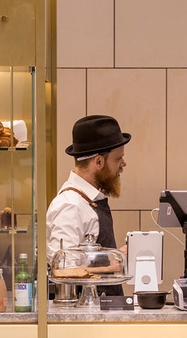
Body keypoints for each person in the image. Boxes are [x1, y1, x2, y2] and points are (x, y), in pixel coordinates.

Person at [46, 114, 131, 296]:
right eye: (118, 159)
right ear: (98, 161)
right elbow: (62, 267)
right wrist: (111, 262)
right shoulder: (70, 205)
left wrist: (114, 256)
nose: (124, 164)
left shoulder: (89, 200)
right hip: (85, 314)